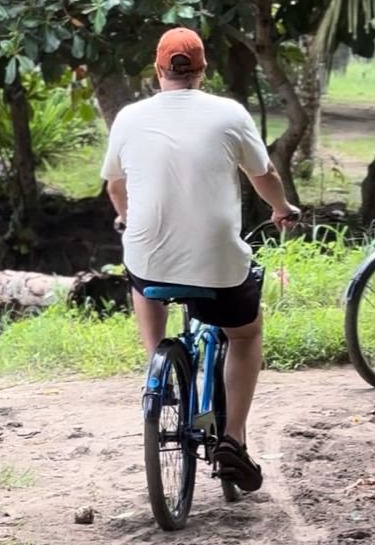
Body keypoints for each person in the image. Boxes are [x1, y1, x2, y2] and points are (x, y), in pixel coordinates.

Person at [101, 27, 298, 492]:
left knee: (141, 276)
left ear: (158, 69)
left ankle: (158, 367)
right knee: (245, 334)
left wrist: (126, 219)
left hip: (149, 255)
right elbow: (264, 174)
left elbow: (115, 186)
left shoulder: (129, 117)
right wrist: (282, 208)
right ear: (203, 70)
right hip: (216, 261)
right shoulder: (228, 113)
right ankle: (233, 439)